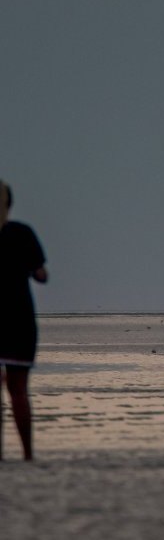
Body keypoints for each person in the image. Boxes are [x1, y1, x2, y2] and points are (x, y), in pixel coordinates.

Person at [0, 180, 48, 461]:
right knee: (18, 390)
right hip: (18, 320)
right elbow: (41, 274)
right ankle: (27, 454)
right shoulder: (21, 233)